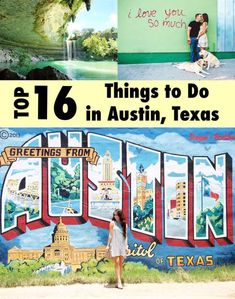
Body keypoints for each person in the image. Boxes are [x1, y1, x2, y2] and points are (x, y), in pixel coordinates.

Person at [106, 208, 128, 289]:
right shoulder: (112, 223)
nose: (115, 216)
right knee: (117, 262)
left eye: (116, 215)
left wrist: (126, 246)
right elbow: (110, 235)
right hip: (115, 244)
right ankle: (119, 281)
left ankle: (119, 280)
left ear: (120, 215)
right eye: (114, 215)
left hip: (122, 245)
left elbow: (126, 236)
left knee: (121, 263)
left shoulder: (124, 224)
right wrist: (108, 245)